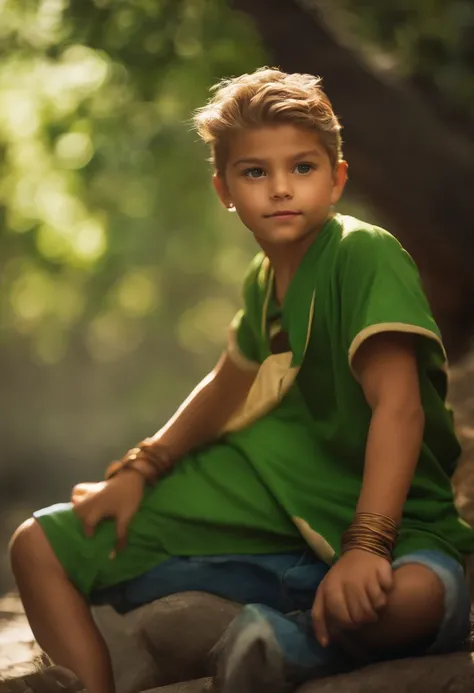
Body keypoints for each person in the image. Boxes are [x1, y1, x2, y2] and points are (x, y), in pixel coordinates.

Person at [9, 67, 474, 693]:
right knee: (38, 545)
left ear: (337, 177)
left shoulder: (363, 254)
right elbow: (227, 383)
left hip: (389, 521)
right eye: (255, 172)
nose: (281, 189)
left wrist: (366, 545)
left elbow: (400, 409)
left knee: (424, 595)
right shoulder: (265, 282)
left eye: (302, 168)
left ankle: (284, 645)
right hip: (267, 519)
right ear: (224, 188)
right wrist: (140, 470)